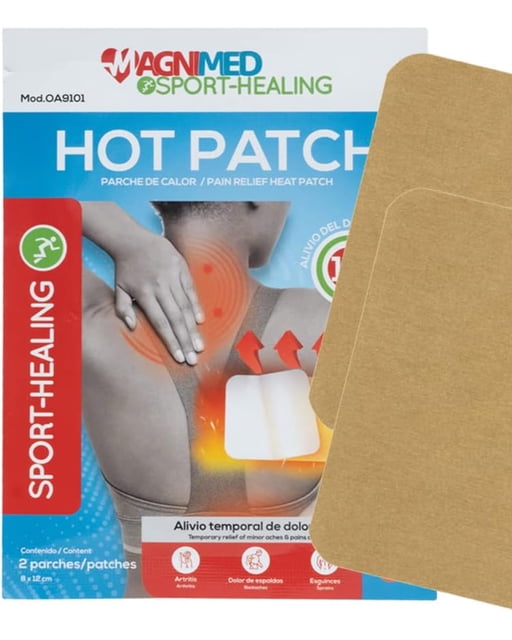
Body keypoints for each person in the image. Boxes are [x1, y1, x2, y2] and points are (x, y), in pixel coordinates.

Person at [81, 201, 328, 596]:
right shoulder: (325, 323)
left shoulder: (88, 323)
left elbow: (17, 215)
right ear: (256, 196)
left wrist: (128, 240)